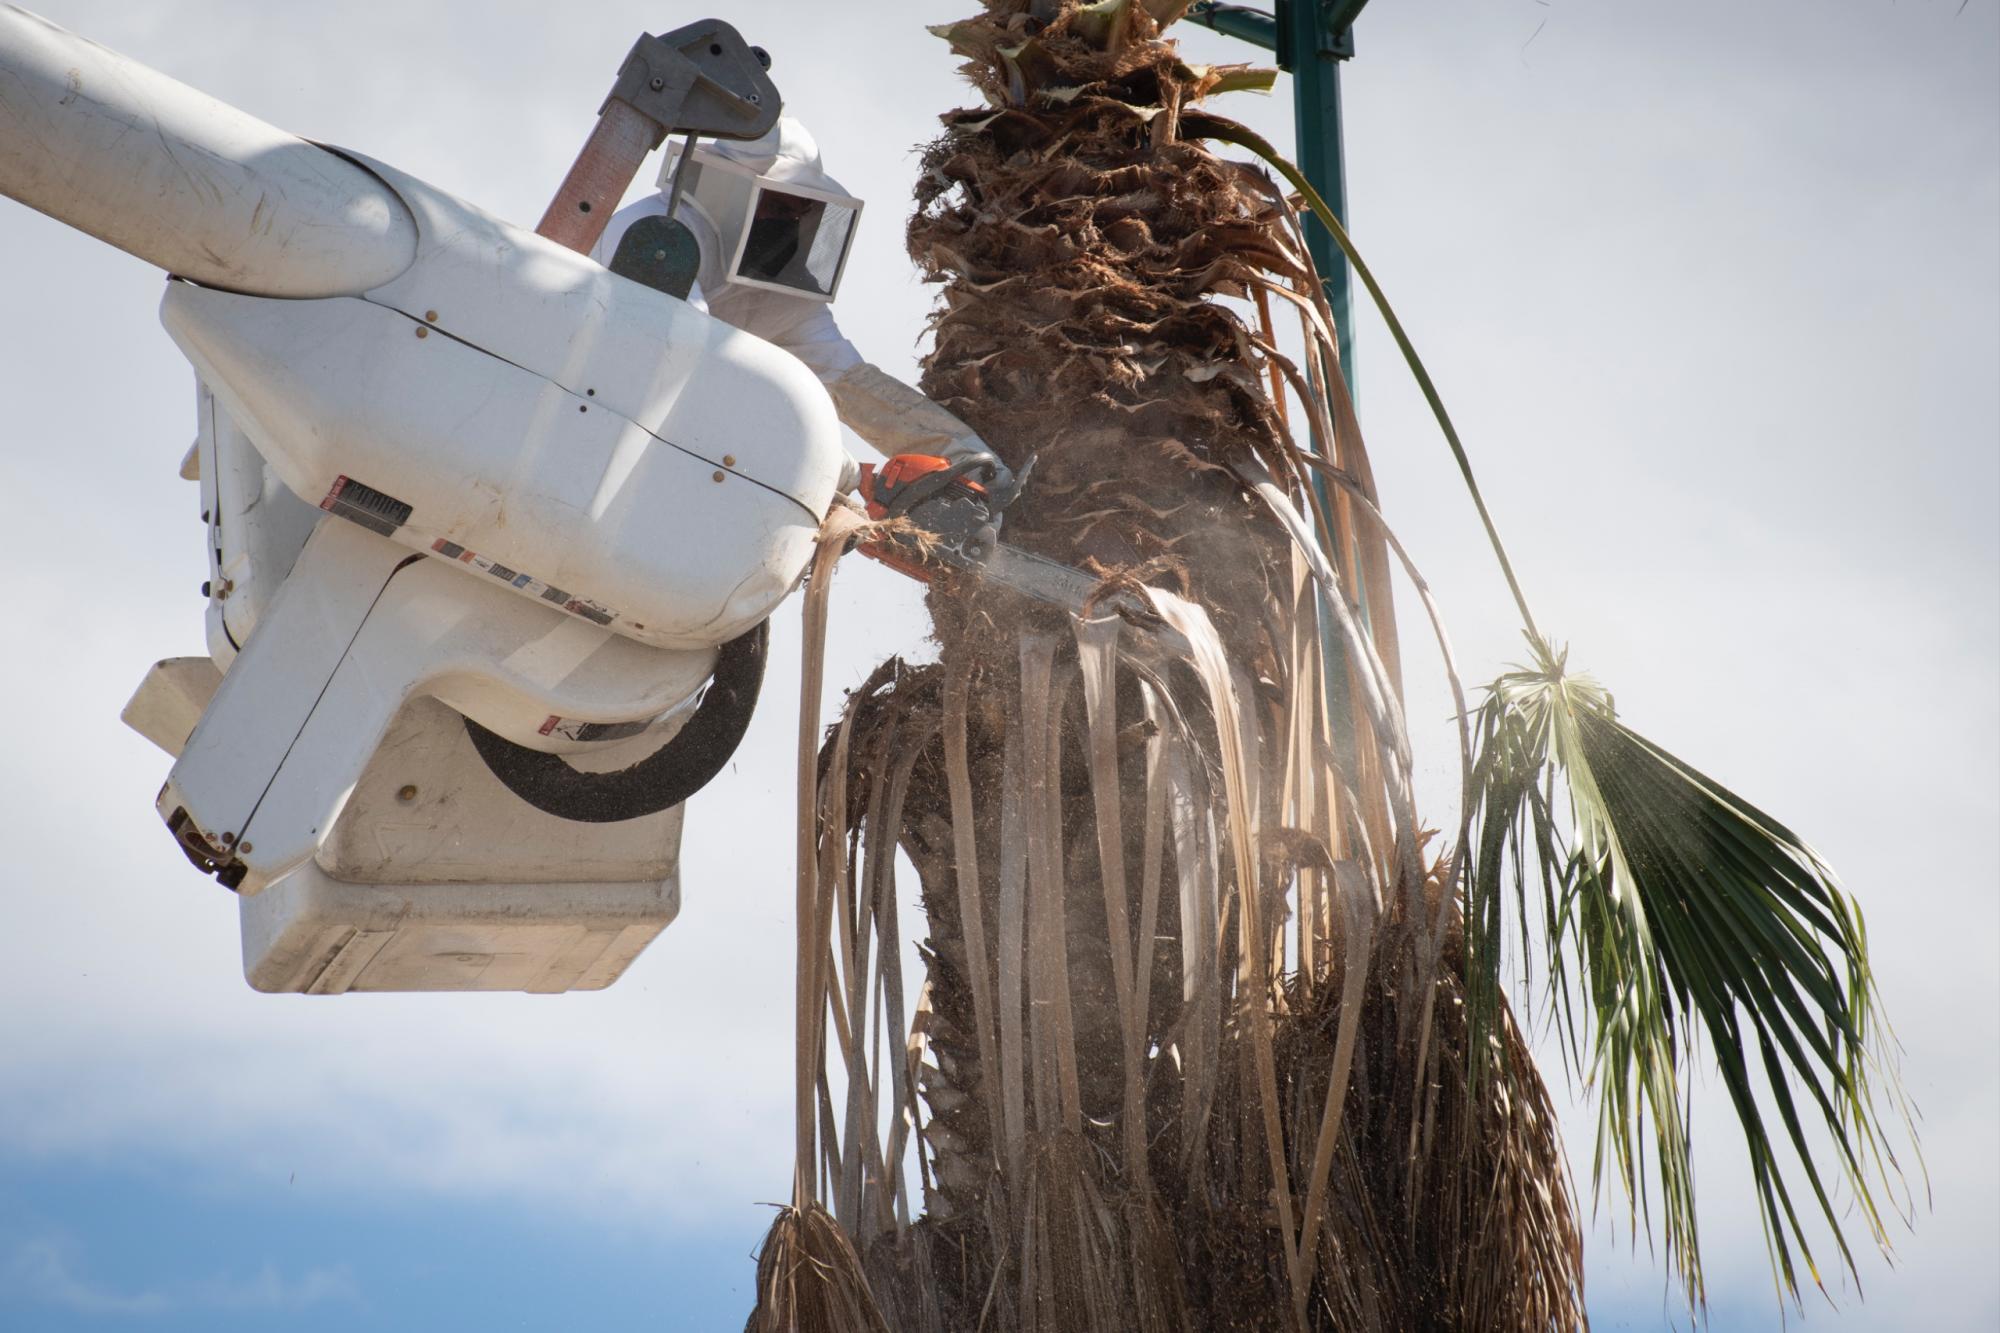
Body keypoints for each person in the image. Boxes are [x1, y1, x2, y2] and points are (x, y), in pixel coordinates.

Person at [591, 115, 1012, 496]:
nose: (788, 225)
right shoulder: (657, 235)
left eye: (800, 211)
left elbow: (848, 382)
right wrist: (850, 475)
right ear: (731, 191)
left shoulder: (780, 291)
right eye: (777, 206)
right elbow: (690, 363)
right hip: (601, 422)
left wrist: (968, 458)